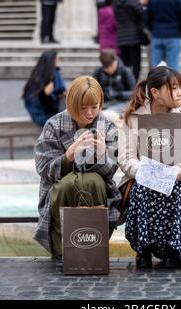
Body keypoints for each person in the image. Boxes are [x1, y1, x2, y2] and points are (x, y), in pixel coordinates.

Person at [118, 66, 181, 269]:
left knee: (178, 191)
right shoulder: (134, 117)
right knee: (143, 190)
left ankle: (173, 250)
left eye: (180, 87)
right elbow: (126, 158)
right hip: (142, 179)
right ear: (155, 93)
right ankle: (143, 250)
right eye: (173, 88)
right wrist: (145, 172)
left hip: (177, 179)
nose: (180, 93)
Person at [33, 75, 121, 270]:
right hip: (59, 191)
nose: (89, 113)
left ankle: (92, 248)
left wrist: (102, 155)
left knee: (92, 181)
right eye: (83, 108)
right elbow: (43, 168)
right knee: (68, 184)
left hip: (98, 191)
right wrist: (68, 157)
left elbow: (112, 170)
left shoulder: (107, 127)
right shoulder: (54, 125)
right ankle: (62, 249)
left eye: (94, 107)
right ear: (72, 104)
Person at [22, 50, 67, 127]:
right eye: (56, 58)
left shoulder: (55, 73)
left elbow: (60, 91)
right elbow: (33, 103)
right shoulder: (39, 78)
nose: (58, 60)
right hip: (45, 115)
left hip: (55, 112)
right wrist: (46, 95)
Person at [142, 0, 181, 71]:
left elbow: (146, 18)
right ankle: (173, 82)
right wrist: (180, 31)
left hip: (157, 34)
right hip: (173, 34)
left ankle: (157, 82)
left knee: (156, 69)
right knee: (173, 68)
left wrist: (153, 29)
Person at [113, 0, 144, 80]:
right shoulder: (133, 2)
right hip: (133, 37)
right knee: (135, 64)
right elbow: (142, 14)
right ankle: (134, 83)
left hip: (121, 36)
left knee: (125, 64)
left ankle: (126, 82)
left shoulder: (116, 3)